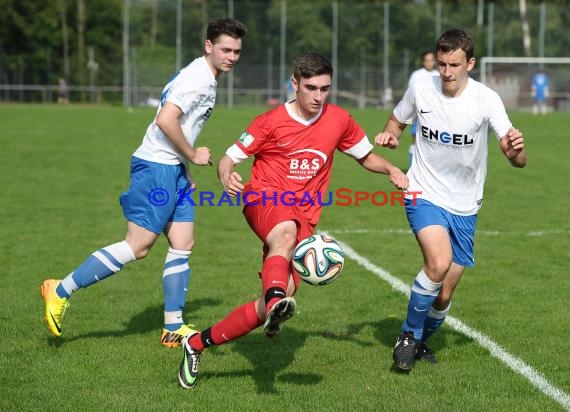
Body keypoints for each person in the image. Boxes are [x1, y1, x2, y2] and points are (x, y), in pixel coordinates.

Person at [177, 52, 408, 389]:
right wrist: (226, 175)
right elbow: (229, 158)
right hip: (264, 197)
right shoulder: (269, 121)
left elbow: (365, 156)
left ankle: (196, 344)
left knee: (277, 296)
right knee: (283, 237)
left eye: (325, 89)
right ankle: (274, 303)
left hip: (306, 215)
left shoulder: (339, 120)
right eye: (311, 88)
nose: (318, 96)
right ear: (295, 83)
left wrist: (390, 168)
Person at [40, 18, 247, 348]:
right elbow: (165, 119)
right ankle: (60, 289)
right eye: (226, 49)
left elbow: (180, 124)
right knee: (138, 246)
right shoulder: (197, 79)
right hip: (155, 168)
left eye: (237, 51)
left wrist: (185, 170)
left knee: (183, 242)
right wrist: (192, 155)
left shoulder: (206, 77)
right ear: (209, 46)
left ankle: (172, 327)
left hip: (172, 169)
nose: (232, 56)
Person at [375, 28, 527, 371]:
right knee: (439, 262)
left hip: (466, 203)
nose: (446, 72)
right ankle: (407, 336)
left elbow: (518, 159)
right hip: (422, 191)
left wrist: (515, 151)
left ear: (469, 63)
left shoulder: (486, 99)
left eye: (454, 64)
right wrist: (390, 134)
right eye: (442, 63)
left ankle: (421, 341)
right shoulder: (421, 89)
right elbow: (397, 120)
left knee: (444, 293)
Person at [406, 51, 438, 168]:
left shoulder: (438, 74)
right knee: (415, 141)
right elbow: (410, 94)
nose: (429, 63)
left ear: (435, 61)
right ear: (423, 62)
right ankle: (412, 168)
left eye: (431, 60)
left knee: (433, 142)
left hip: (435, 115)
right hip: (419, 113)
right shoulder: (417, 75)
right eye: (427, 60)